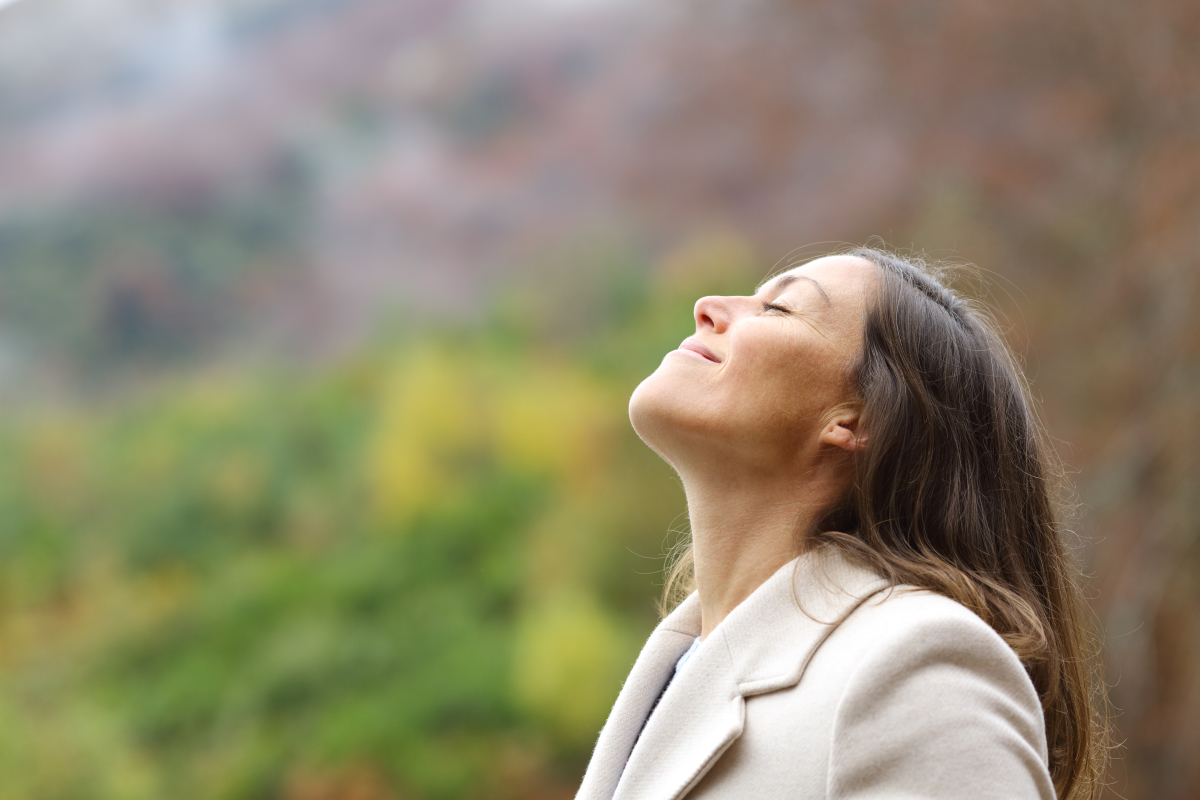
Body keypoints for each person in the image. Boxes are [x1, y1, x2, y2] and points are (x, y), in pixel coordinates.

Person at [575, 247, 1107, 800]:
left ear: (859, 418)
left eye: (779, 309)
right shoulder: (674, 671)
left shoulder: (916, 669)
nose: (707, 307)